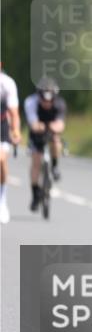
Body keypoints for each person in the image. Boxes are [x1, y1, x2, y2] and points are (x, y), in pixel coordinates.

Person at [24, 77, 67, 211]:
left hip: (51, 131)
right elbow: (34, 124)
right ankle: (35, 193)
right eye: (44, 100)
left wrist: (52, 127)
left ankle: (54, 166)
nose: (47, 103)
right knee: (36, 161)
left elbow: (60, 125)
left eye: (50, 100)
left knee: (56, 141)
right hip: (36, 133)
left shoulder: (60, 104)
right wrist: (41, 126)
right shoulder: (31, 102)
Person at [0, 62, 22, 224]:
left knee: (1, 160)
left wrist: (16, 131)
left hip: (2, 124)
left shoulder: (7, 83)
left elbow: (14, 113)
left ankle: (2, 200)